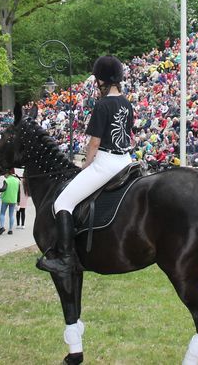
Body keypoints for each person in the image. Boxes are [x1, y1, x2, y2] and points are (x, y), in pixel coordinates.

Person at [37, 55, 134, 275]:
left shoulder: (103, 104)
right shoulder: (127, 104)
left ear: (103, 80)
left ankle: (66, 258)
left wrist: (86, 165)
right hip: (126, 160)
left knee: (62, 202)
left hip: (106, 162)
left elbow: (95, 142)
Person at [0, 171, 19, 235]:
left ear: (7, 173)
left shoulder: (6, 180)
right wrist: (18, 200)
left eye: (4, 173)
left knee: (2, 213)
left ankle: (2, 227)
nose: (4, 175)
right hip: (13, 199)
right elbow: (18, 191)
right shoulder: (17, 180)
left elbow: (3, 189)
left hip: (5, 199)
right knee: (11, 215)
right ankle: (10, 230)